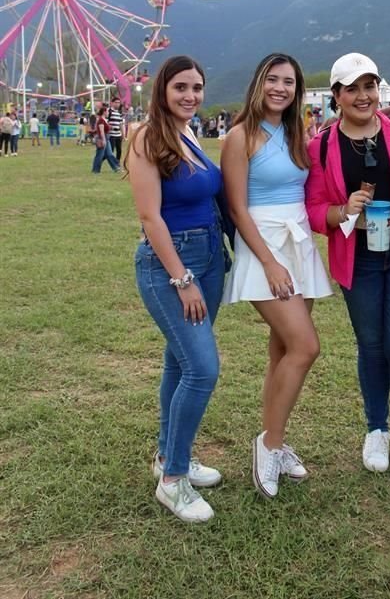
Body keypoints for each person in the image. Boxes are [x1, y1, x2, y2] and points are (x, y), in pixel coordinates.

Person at [305, 53, 390, 475]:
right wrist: (344, 210)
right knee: (372, 346)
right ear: (337, 96)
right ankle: (376, 429)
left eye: (369, 86)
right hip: (358, 259)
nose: (363, 96)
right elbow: (313, 209)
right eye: (352, 88)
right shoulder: (322, 145)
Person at [221, 53, 332, 499]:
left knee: (283, 350)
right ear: (258, 83)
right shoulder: (238, 137)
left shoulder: (296, 134)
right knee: (306, 346)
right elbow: (236, 208)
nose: (280, 88)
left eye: (289, 81)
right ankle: (267, 446)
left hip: (298, 241)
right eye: (273, 79)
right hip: (263, 245)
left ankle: (276, 440)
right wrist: (268, 261)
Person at [125, 55, 226, 523]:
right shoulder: (146, 137)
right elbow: (150, 217)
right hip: (171, 265)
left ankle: (169, 457)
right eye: (181, 87)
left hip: (209, 259)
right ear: (162, 90)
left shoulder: (190, 133)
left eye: (197, 87)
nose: (190, 95)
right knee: (202, 369)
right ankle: (173, 481)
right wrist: (181, 279)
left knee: (179, 362)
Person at [92, 106, 120, 174]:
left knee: (110, 154)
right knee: (100, 155)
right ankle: (96, 170)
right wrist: (103, 140)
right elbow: (101, 131)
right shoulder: (101, 120)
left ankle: (116, 167)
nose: (108, 113)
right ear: (104, 112)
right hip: (102, 138)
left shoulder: (104, 119)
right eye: (107, 111)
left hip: (106, 138)